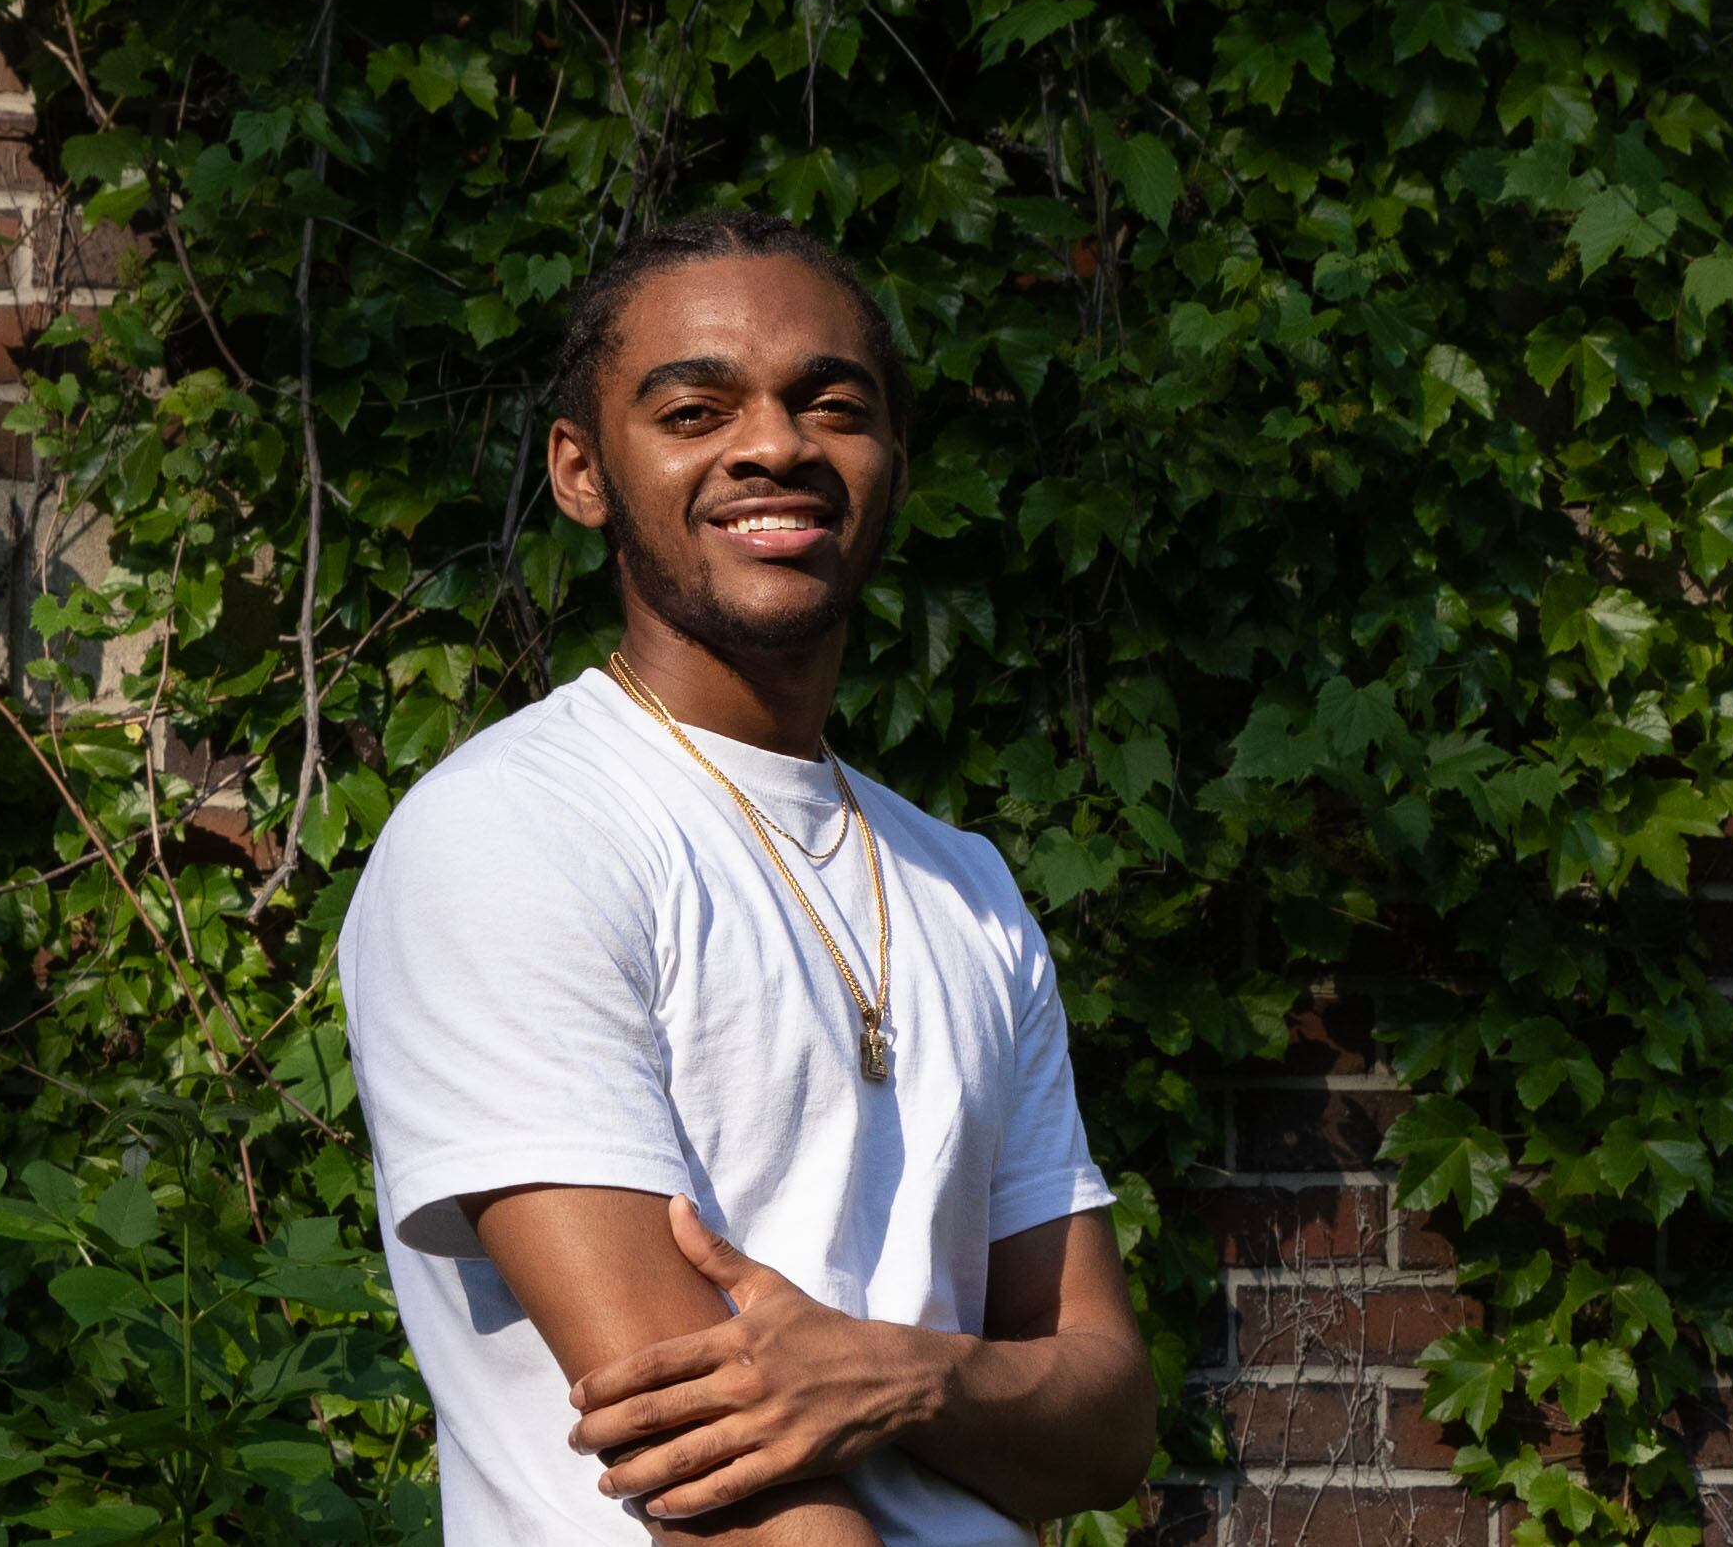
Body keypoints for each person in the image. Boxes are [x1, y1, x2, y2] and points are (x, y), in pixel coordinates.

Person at [339, 210, 1155, 1545]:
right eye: (693, 407)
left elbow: (1109, 1418)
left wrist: (905, 1374)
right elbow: (705, 1467)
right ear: (580, 470)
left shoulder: (962, 884)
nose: (773, 443)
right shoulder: (511, 833)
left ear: (891, 462)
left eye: (831, 403)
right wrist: (975, 1400)